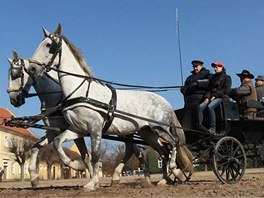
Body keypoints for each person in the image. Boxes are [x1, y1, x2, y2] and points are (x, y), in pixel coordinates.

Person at [198, 62, 232, 134]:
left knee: (210, 106)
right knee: (200, 107)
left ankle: (213, 128)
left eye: (217, 67)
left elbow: (226, 90)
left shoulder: (227, 77)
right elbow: (209, 89)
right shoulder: (213, 78)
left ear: (221, 67)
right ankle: (200, 125)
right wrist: (207, 98)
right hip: (211, 97)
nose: (215, 69)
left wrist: (215, 95)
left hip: (222, 97)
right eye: (214, 67)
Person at [180, 60, 211, 128]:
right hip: (189, 101)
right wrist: (183, 89)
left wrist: (198, 83)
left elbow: (209, 83)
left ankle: (200, 125)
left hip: (200, 99)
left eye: (196, 66)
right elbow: (186, 86)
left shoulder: (207, 74)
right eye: (194, 67)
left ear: (201, 66)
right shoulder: (189, 78)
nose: (195, 68)